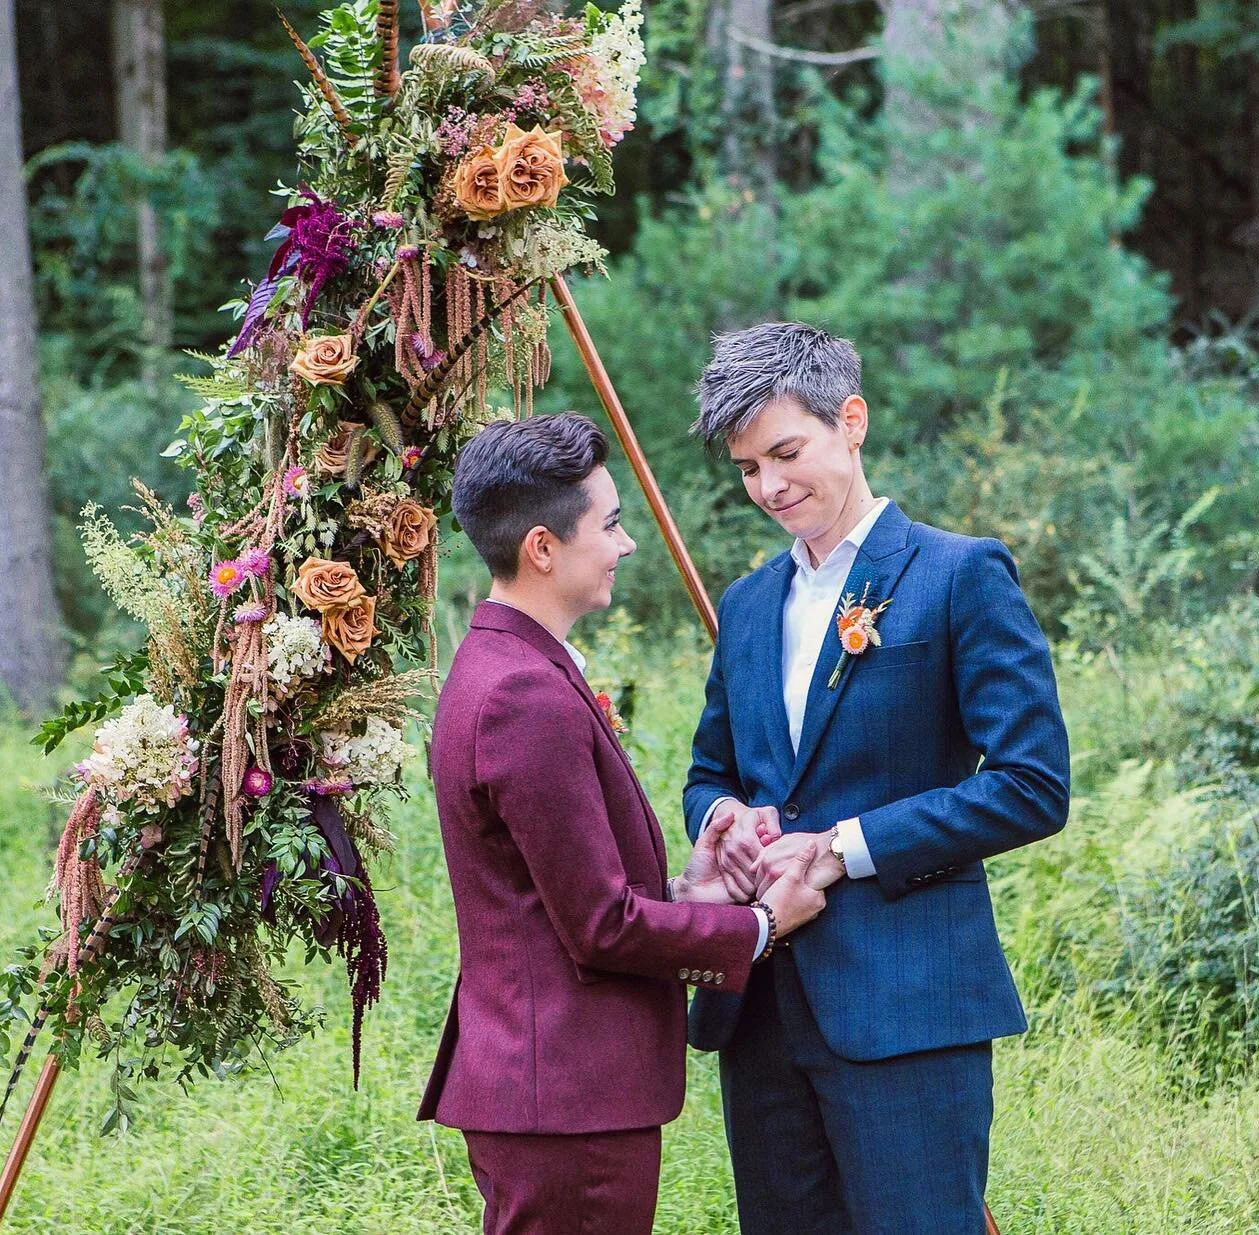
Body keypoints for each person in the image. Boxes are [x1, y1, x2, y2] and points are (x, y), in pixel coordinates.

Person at [683, 323, 1071, 1235]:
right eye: (748, 468)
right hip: (762, 1007)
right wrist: (724, 817)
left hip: (910, 1007)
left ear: (850, 421)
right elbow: (710, 771)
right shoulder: (746, 605)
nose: (769, 487)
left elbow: (1031, 783)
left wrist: (844, 848)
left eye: (786, 453)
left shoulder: (960, 574)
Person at [418, 411, 826, 1235]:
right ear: (542, 547)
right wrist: (761, 923)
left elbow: (554, 892)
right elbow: (599, 926)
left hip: (549, 1092)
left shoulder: (498, 662)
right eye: (608, 524)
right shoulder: (524, 694)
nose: (626, 543)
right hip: (565, 1100)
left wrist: (685, 889)